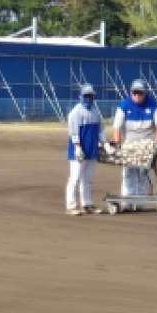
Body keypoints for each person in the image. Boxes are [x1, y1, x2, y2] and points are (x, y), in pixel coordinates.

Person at [112, 79, 157, 206]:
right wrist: (118, 144)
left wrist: (156, 144)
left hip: (146, 145)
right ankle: (127, 202)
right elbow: (116, 127)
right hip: (129, 144)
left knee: (143, 173)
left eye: (140, 93)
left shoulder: (154, 105)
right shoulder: (124, 106)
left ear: (145, 93)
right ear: (131, 93)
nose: (137, 96)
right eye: (134, 93)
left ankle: (140, 202)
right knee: (129, 172)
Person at [65, 84, 104, 216]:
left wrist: (104, 143)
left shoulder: (95, 112)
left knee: (88, 179)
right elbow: (74, 132)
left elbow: (100, 130)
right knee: (74, 178)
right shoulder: (75, 113)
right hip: (79, 151)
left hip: (92, 150)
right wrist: (77, 147)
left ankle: (87, 204)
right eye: (86, 96)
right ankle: (71, 206)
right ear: (81, 96)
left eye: (91, 96)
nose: (89, 98)